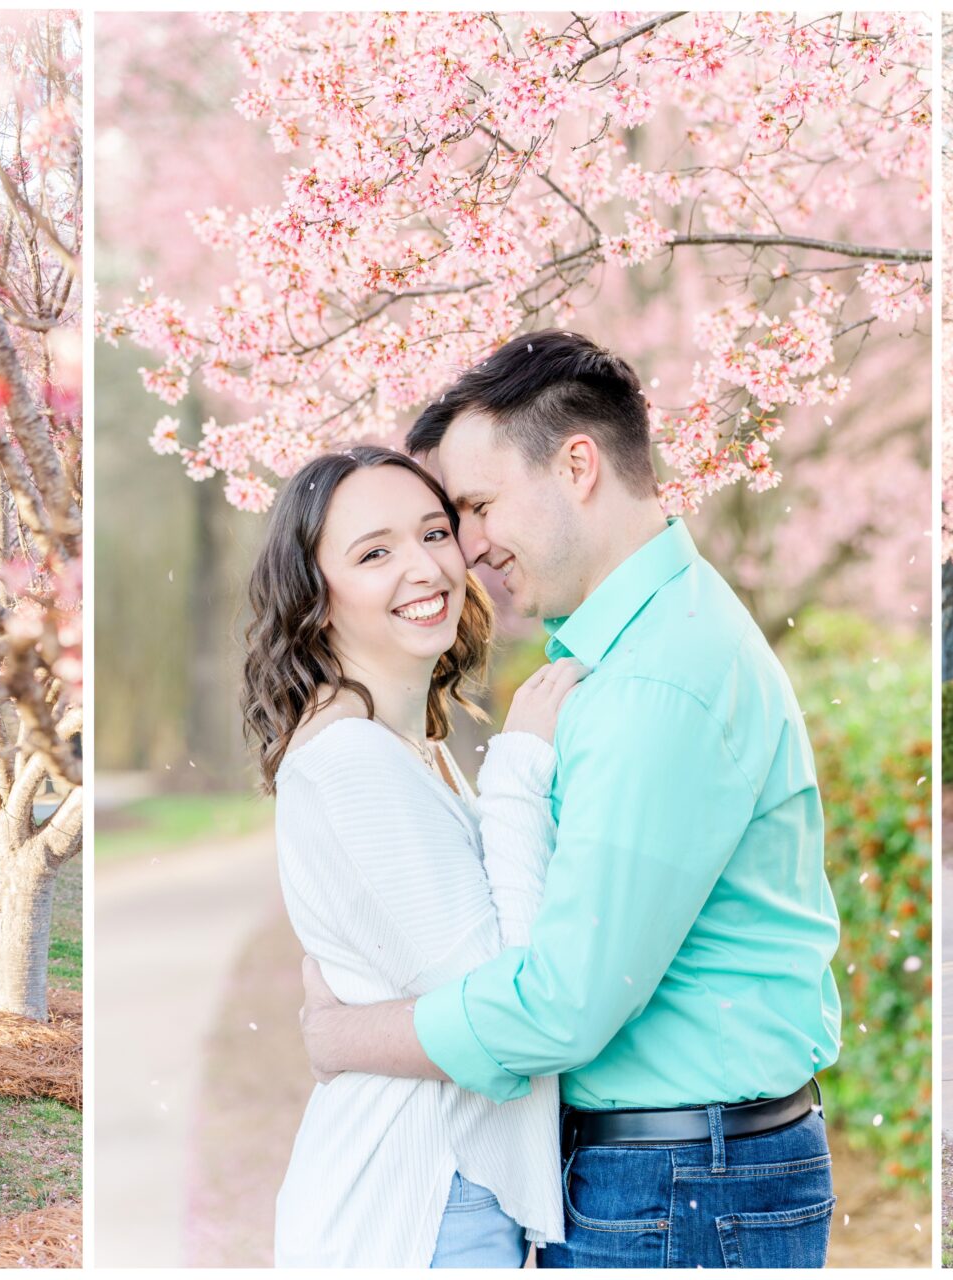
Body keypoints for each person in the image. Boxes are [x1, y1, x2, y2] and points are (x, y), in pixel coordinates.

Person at [295, 330, 845, 1268]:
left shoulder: (654, 683)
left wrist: (345, 1034)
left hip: (683, 1185)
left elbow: (561, 1006)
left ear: (578, 466)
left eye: (475, 507)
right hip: (691, 1171)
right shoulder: (644, 647)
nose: (467, 550)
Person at [244, 444, 584, 1267]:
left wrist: (342, 1030)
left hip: (442, 1190)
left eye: (435, 533)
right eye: (374, 553)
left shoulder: (404, 746)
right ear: (315, 601)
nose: (425, 567)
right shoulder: (352, 759)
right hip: (416, 1199)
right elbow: (505, 1011)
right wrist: (520, 769)